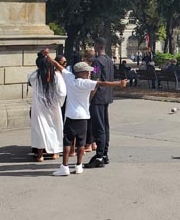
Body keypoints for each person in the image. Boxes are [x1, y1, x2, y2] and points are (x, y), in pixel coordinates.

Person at [53, 61, 128, 176]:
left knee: (67, 141)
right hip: (83, 116)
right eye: (87, 71)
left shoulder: (69, 77)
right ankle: (78, 165)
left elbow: (58, 66)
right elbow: (102, 83)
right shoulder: (87, 83)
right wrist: (119, 83)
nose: (89, 73)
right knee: (81, 142)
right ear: (81, 73)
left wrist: (47, 56)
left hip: (71, 115)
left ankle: (65, 166)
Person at [28, 51, 66, 162]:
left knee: (39, 129)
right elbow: (62, 93)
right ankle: (54, 152)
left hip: (39, 107)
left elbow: (30, 80)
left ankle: (40, 155)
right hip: (53, 106)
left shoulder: (34, 76)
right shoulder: (56, 76)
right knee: (54, 127)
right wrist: (59, 103)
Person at [86, 38, 116, 169]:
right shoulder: (109, 60)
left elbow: (95, 81)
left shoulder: (97, 61)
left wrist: (89, 98)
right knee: (105, 126)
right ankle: (104, 154)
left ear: (98, 46)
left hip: (98, 97)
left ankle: (99, 156)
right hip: (107, 96)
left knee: (99, 127)